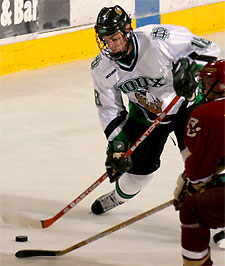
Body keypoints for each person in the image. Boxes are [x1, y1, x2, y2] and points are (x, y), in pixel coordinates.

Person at [90, 5, 220, 215]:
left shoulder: (159, 39)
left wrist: (191, 71)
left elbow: (210, 49)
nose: (111, 45)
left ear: (127, 30)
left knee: (198, 164)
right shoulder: (101, 67)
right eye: (106, 40)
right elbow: (109, 107)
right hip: (145, 117)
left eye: (115, 38)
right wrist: (118, 142)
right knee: (136, 177)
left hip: (187, 107)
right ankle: (116, 197)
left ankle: (213, 214)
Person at [173, 59, 225, 265]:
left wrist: (190, 185)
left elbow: (199, 175)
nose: (203, 88)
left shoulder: (205, 115)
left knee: (191, 209)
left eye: (206, 83)